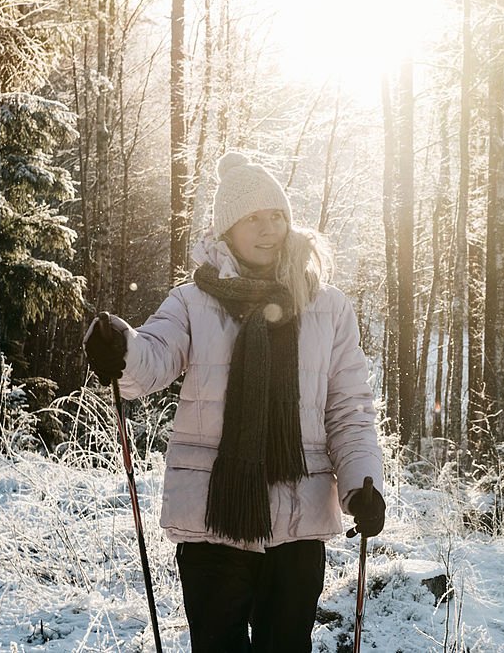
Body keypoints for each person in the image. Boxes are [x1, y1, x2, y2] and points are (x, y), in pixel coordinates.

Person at [83, 151, 385, 652]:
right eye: (253, 218)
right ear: (227, 228)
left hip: (298, 523)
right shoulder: (191, 302)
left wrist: (360, 487)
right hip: (212, 522)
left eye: (277, 216)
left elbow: (348, 409)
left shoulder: (328, 308)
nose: (269, 229)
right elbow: (150, 361)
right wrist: (122, 345)